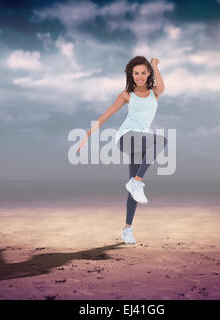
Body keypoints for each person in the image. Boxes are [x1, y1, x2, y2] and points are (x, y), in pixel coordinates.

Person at [76, 56, 166, 244]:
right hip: (126, 137)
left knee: (133, 189)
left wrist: (156, 65)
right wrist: (86, 135)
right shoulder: (126, 94)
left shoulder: (154, 92)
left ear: (148, 73)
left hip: (140, 141)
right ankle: (137, 182)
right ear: (131, 75)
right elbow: (105, 116)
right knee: (161, 141)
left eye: (143, 72)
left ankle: (127, 229)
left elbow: (162, 87)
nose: (139, 77)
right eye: (136, 73)